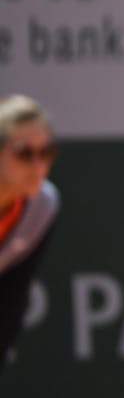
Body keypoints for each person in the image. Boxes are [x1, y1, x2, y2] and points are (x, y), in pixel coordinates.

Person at [0, 95, 60, 373]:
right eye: (24, 153)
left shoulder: (42, 206)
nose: (38, 166)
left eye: (46, 153)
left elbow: (11, 301)